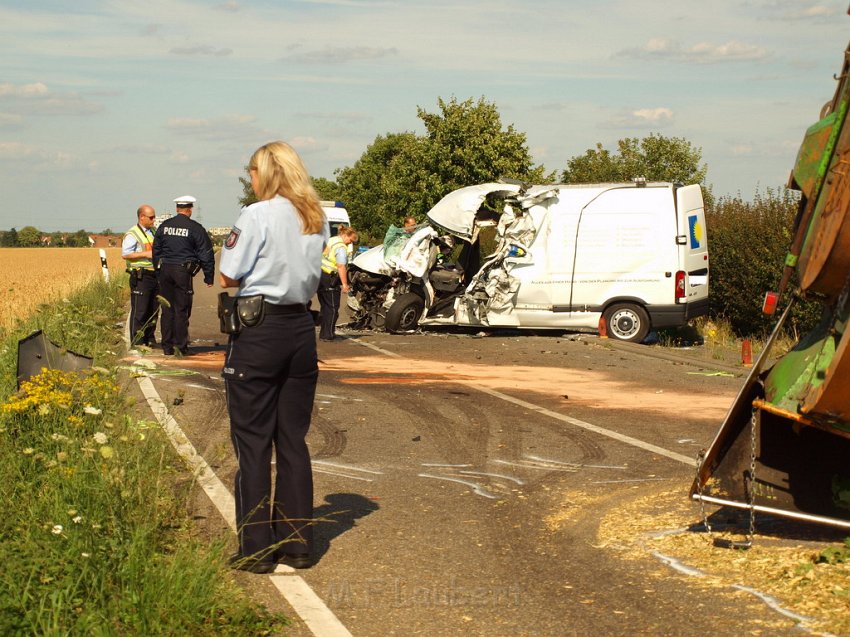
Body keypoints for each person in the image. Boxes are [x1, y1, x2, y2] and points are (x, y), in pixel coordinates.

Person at [219, 141, 328, 573]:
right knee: (292, 441)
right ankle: (298, 545)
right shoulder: (313, 216)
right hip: (300, 328)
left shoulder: (255, 214)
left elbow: (229, 273)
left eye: (252, 170)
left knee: (252, 443)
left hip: (259, 330)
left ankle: (257, 549)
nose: (250, 178)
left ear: (267, 172)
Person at [152, 195, 215, 356]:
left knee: (167, 309)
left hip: (165, 270)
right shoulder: (195, 228)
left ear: (177, 209)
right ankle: (180, 346)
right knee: (181, 309)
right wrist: (208, 276)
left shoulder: (164, 226)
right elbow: (206, 253)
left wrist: (158, 271)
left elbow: (156, 250)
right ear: (190, 210)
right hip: (182, 272)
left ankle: (167, 346)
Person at [122, 204, 159, 347]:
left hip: (155, 274)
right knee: (140, 309)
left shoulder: (154, 231)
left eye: (154, 217)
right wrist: (145, 254)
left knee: (154, 309)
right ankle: (137, 341)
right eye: (151, 217)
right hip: (141, 276)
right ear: (141, 217)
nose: (153, 220)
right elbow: (125, 254)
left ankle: (150, 338)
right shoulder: (133, 234)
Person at [317, 225, 358, 341]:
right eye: (350, 240)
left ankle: (324, 332)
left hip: (320, 274)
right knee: (332, 308)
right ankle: (328, 335)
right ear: (345, 235)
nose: (350, 243)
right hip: (330, 278)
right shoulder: (341, 247)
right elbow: (340, 266)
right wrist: (345, 284)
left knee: (324, 306)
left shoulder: (331, 240)